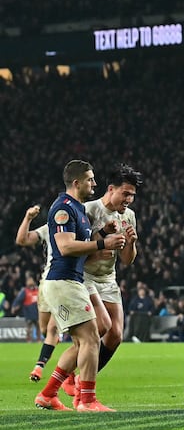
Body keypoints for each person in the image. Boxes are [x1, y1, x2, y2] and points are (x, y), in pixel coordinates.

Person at [34, 160, 126, 412]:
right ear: (76, 183)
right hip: (63, 282)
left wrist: (101, 234)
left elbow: (82, 244)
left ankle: (48, 393)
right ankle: (86, 400)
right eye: (90, 179)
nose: (94, 183)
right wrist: (102, 245)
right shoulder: (63, 208)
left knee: (97, 331)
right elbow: (65, 246)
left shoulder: (78, 209)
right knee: (90, 340)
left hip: (72, 281)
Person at [82, 163, 143, 378]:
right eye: (125, 193)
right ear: (110, 189)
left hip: (108, 279)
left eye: (132, 195)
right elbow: (74, 250)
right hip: (84, 277)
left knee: (116, 335)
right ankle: (70, 377)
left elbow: (127, 260)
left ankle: (82, 378)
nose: (128, 199)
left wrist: (131, 244)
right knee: (98, 327)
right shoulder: (89, 210)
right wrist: (101, 246)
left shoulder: (128, 216)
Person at [15, 204, 61, 382]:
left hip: (65, 281)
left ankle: (39, 366)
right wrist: (28, 217)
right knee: (45, 330)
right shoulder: (49, 227)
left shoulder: (81, 223)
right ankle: (54, 341)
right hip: (46, 283)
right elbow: (22, 240)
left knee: (52, 328)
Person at [12, 276, 41, 342]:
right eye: (29, 281)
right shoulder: (25, 291)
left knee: (38, 327)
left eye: (31, 281)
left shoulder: (38, 290)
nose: (30, 282)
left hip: (37, 312)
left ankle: (39, 340)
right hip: (28, 312)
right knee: (29, 327)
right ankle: (28, 340)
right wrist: (14, 306)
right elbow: (18, 300)